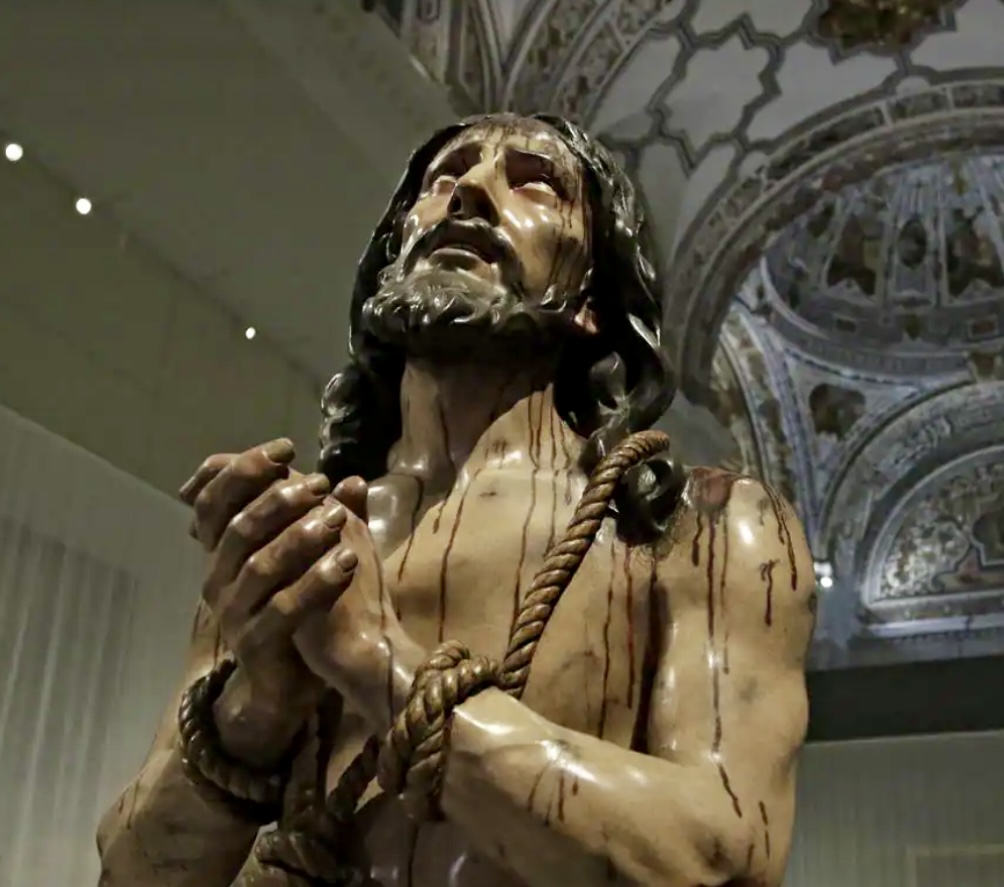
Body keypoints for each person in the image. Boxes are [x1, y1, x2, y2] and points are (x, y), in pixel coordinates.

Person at [96, 112, 816, 887]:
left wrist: (379, 665)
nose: (470, 190)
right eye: (444, 179)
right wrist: (255, 709)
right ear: (392, 261)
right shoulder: (295, 546)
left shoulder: (698, 530)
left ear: (592, 301)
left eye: (535, 183)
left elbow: (724, 855)